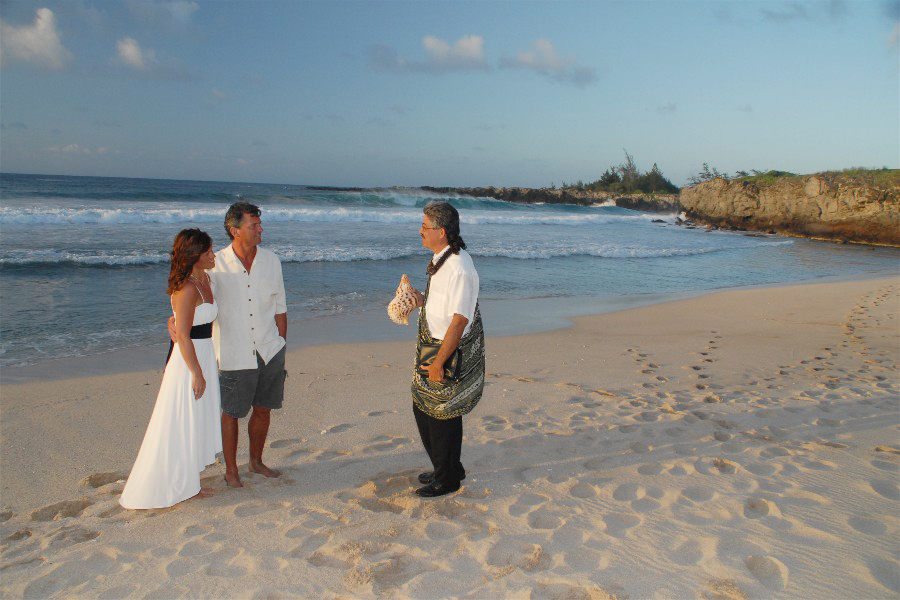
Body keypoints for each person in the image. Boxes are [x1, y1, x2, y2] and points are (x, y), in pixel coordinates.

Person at [121, 229, 222, 509]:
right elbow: (185, 335)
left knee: (195, 420)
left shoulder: (206, 278)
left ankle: (190, 482)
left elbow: (185, 320)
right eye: (209, 252)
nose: (214, 255)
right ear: (195, 257)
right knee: (182, 420)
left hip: (204, 354)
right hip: (189, 361)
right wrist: (197, 373)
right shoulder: (187, 288)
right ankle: (179, 484)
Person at [409, 201, 486, 498]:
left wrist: (440, 362)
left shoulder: (460, 267)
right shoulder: (443, 258)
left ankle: (447, 478)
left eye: (425, 227)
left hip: (447, 351)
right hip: (433, 346)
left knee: (441, 415)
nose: (420, 231)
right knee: (426, 409)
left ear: (441, 231)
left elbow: (460, 319)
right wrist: (419, 301)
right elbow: (443, 305)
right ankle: (450, 467)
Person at [210, 202, 288, 488]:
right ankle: (231, 469)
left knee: (264, 408)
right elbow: (197, 299)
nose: (260, 230)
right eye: (253, 226)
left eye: (259, 224)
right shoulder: (215, 265)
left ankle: (256, 461)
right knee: (231, 411)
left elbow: (280, 307)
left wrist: (280, 343)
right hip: (233, 351)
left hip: (269, 348)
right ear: (234, 230)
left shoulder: (271, 261)